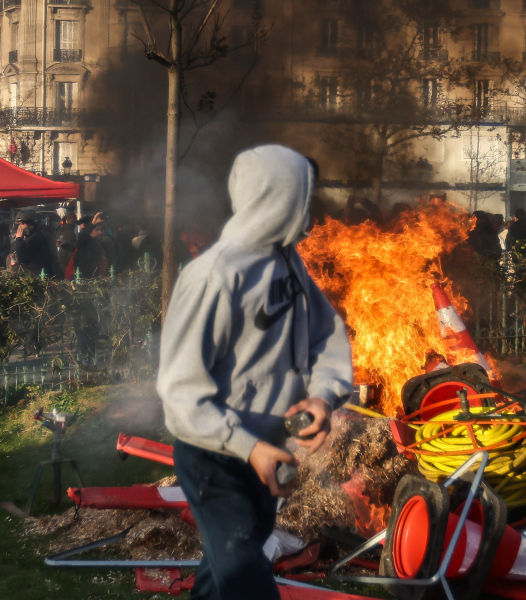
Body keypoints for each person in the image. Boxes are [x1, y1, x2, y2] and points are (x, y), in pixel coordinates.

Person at [157, 145, 353, 600]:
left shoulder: (289, 263)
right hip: (216, 457)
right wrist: (249, 449)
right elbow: (181, 393)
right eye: (304, 196)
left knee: (229, 565)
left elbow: (326, 333)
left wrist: (323, 397)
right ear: (277, 196)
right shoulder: (214, 276)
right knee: (246, 576)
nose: (310, 210)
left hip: (267, 448)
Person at [10, 209, 54, 276]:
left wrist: (19, 239)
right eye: (19, 224)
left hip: (38, 273)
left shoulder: (35, 238)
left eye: (22, 223)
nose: (20, 227)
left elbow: (23, 259)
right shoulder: (38, 234)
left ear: (31, 224)